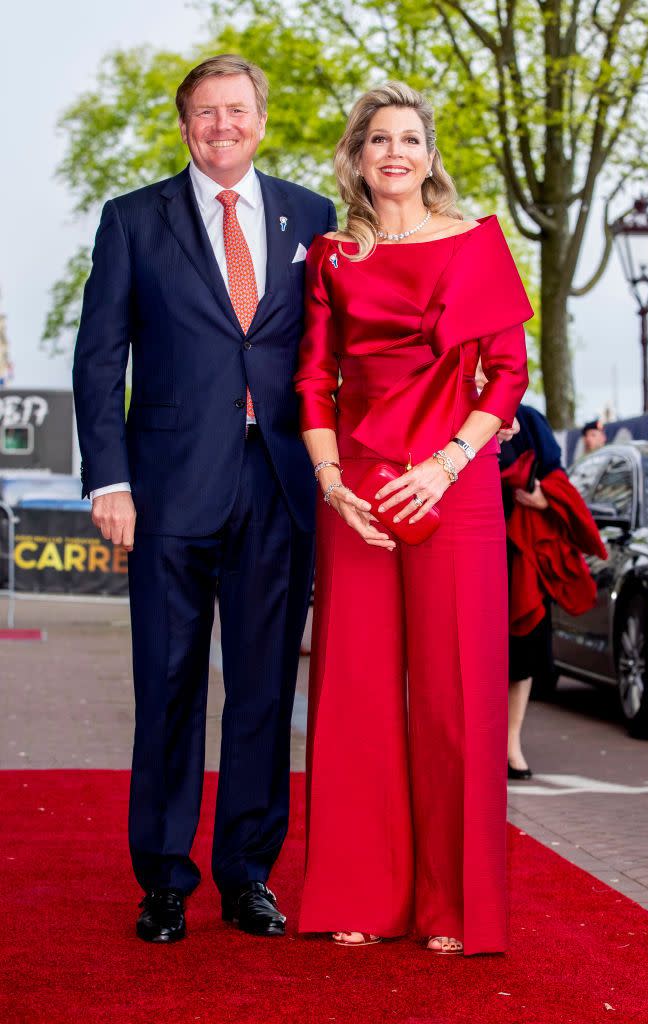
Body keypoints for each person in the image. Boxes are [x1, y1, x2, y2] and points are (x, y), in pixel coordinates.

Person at [73, 54, 336, 943]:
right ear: (183, 125)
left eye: (236, 110)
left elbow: (341, 353)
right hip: (166, 491)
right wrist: (108, 478)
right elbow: (100, 358)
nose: (221, 126)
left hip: (279, 485)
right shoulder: (131, 221)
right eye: (204, 113)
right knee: (170, 685)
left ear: (261, 119)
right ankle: (163, 879)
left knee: (262, 692)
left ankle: (247, 874)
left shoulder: (315, 217)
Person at [294, 82, 532, 955]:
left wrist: (445, 464)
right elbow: (312, 379)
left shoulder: (476, 243)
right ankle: (359, 891)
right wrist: (329, 481)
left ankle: (453, 909)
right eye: (377, 139)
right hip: (355, 485)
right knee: (353, 690)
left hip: (454, 482)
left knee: (455, 695)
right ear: (357, 157)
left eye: (409, 139)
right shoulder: (330, 256)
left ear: (430, 156)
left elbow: (506, 372)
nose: (394, 152)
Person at [499, 404, 608, 778]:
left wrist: (546, 498)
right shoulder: (452, 408)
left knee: (523, 652)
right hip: (467, 547)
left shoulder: (528, 419)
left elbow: (554, 475)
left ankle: (511, 743)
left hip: (520, 555)